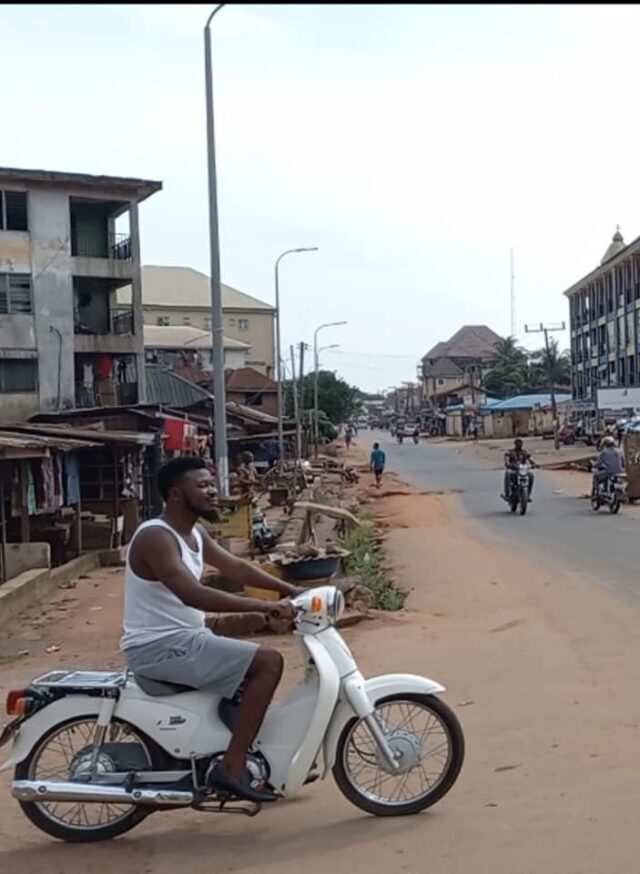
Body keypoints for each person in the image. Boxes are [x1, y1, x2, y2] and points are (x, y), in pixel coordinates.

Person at [121, 456, 300, 804]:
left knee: (245, 678)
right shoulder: (157, 537)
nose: (212, 492)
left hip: (187, 639)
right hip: (159, 646)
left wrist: (290, 590)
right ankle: (231, 769)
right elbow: (194, 594)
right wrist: (264, 607)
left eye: (211, 484)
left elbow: (235, 568)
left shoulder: (194, 533)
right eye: (202, 486)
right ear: (176, 494)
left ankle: (255, 763)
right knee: (268, 663)